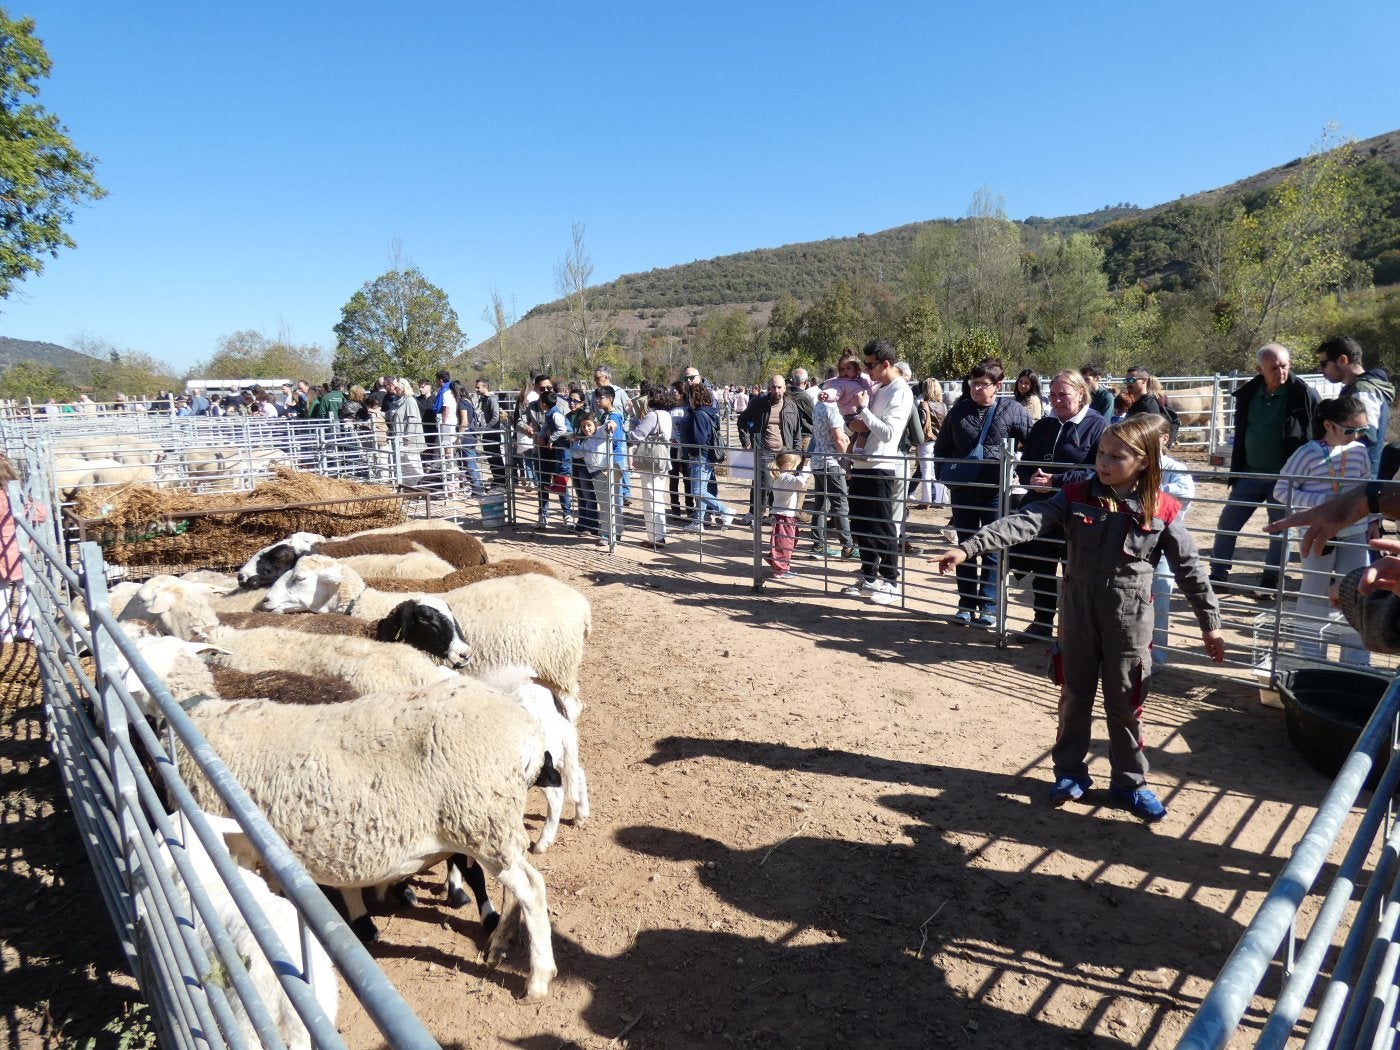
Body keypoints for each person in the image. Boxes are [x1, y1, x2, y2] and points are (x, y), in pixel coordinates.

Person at [936, 414, 1225, 822]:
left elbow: (1190, 569)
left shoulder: (1162, 508)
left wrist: (1210, 623)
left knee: (1126, 702)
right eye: (1101, 453)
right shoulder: (1075, 496)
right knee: (1074, 697)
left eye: (1116, 456)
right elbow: (1026, 521)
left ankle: (1130, 783)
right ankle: (1069, 773)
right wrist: (970, 547)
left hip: (1129, 619)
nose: (1103, 462)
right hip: (1077, 613)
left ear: (1144, 461)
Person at [1272, 395, 1374, 666]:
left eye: (1362, 430)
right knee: (1314, 594)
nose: (1357, 436)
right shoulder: (1307, 453)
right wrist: (1323, 504)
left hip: (1355, 532)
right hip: (1317, 534)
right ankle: (1310, 659)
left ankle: (1356, 661)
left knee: (1356, 591)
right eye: (1350, 430)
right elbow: (1281, 490)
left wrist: (1373, 520)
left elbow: (1367, 488)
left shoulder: (1360, 451)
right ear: (1329, 425)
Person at [1210, 343, 1319, 594]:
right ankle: (1218, 575)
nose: (1281, 372)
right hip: (1248, 473)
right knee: (1227, 523)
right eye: (1273, 368)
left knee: (1279, 530)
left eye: (1284, 366)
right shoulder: (1249, 393)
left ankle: (1271, 582)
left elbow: (1318, 431)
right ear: (1259, 369)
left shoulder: (1304, 394)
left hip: (1284, 478)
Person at [1006, 369, 1106, 640]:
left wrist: (1056, 480)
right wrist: (1030, 478)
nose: (1056, 400)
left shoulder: (1098, 426)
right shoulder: (1044, 426)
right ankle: (1042, 621)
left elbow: (1097, 470)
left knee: (1077, 571)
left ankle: (1074, 630)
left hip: (1080, 510)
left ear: (1081, 394)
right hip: (1042, 507)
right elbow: (1026, 462)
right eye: (1052, 395)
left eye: (1063, 394)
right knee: (1043, 567)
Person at [933, 357, 1034, 626]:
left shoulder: (1013, 410)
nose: (976, 388)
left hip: (996, 491)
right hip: (963, 490)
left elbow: (1033, 441)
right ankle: (966, 604)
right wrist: (945, 475)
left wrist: (1019, 469)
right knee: (964, 545)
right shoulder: (958, 411)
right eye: (973, 383)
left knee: (992, 546)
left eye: (982, 384)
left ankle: (989, 605)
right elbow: (942, 447)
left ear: (997, 386)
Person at [838, 339, 914, 606]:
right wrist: (852, 420)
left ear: (885, 364)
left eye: (870, 365)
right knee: (860, 523)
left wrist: (862, 410)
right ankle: (869, 576)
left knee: (882, 525)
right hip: (861, 464)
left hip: (880, 467)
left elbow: (889, 433)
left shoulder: (900, 391)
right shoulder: (879, 388)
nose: (866, 370)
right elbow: (864, 425)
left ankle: (891, 581)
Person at [1316, 335, 1394, 476]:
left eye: (1324, 364)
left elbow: (1365, 437)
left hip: (1359, 478)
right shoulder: (1359, 388)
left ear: (1342, 360)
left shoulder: (1362, 390)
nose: (1320, 370)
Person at [737, 373, 808, 524]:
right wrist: (746, 442)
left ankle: (773, 514)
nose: (776, 391)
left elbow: (797, 432)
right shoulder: (759, 403)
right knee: (763, 484)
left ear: (785, 388)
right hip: (764, 450)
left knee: (781, 485)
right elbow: (742, 420)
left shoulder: (791, 406)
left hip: (785, 453)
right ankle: (755, 514)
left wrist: (796, 453)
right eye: (773, 387)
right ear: (769, 388)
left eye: (779, 387)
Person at [0, 455, 47, 643]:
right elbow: (41, 514)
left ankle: (5, 630)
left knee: (1, 588)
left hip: (1, 549)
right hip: (18, 546)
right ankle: (26, 627)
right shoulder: (17, 495)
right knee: (24, 586)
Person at [805, 383, 853, 559]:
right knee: (840, 504)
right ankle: (847, 547)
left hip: (818, 460)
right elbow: (839, 438)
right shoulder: (832, 407)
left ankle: (818, 545)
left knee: (821, 503)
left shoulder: (819, 404)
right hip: (831, 462)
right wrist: (846, 462)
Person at [681, 382, 736, 533]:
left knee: (697, 491)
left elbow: (699, 439)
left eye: (690, 396)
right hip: (707, 455)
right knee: (702, 489)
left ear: (694, 397)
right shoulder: (710, 412)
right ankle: (698, 522)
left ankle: (725, 510)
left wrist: (691, 453)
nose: (688, 400)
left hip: (701, 456)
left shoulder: (698, 414)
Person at [628, 386, 675, 550]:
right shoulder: (666, 415)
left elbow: (637, 435)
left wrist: (627, 432)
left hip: (651, 461)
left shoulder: (652, 415)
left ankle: (656, 537)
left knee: (650, 499)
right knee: (658, 497)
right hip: (662, 459)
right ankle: (659, 535)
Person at [767, 452, 811, 580]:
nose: (797, 468)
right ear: (788, 465)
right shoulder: (785, 478)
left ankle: (775, 559)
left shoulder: (782, 477)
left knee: (789, 540)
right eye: (796, 465)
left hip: (786, 515)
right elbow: (800, 482)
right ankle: (780, 570)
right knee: (785, 543)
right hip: (784, 516)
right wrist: (806, 469)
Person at [571, 412, 610, 543]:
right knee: (601, 501)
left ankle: (608, 534)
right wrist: (575, 441)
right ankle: (604, 531)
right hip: (594, 472)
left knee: (606, 503)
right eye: (583, 426)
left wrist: (610, 423)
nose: (586, 429)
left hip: (604, 471)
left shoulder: (600, 433)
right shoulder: (586, 442)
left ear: (595, 425)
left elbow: (607, 426)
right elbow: (577, 454)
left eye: (589, 425)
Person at [912, 377, 949, 510]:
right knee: (938, 472)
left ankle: (925, 500)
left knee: (926, 472)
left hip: (926, 442)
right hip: (940, 442)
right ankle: (941, 500)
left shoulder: (923, 405)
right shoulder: (943, 406)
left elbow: (921, 424)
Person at [385, 377, 426, 486]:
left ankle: (415, 488)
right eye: (395, 388)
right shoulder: (397, 400)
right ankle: (405, 487)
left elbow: (412, 420)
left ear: (404, 387)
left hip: (407, 441)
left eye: (397, 388)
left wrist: (407, 437)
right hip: (398, 438)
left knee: (411, 465)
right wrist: (376, 413)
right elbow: (390, 414)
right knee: (402, 466)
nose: (395, 390)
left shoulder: (409, 400)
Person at [819, 353, 876, 426]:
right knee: (865, 429)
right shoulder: (841, 383)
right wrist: (827, 394)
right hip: (852, 416)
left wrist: (880, 380)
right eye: (842, 369)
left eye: (848, 368)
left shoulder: (862, 379)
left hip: (864, 412)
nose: (845, 371)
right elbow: (835, 391)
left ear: (857, 369)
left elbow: (872, 381)